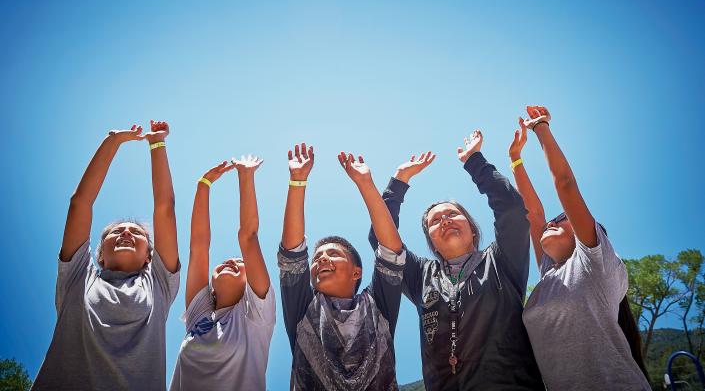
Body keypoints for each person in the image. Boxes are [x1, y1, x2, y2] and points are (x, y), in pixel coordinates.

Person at [369, 134, 543, 390]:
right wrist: (399, 181)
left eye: (452, 214)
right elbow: (382, 241)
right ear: (431, 241)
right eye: (435, 221)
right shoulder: (421, 276)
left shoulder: (501, 260)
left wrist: (475, 161)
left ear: (472, 229)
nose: (445, 221)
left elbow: (512, 209)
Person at [33, 121, 180, 390]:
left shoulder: (158, 282)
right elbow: (80, 203)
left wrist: (157, 144)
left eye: (136, 232)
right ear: (99, 256)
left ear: (150, 256)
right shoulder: (78, 277)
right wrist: (113, 140)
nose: (125, 233)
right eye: (116, 231)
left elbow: (165, 208)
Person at [513, 105, 651, 390]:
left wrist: (541, 128)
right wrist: (516, 160)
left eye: (562, 217)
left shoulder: (593, 262)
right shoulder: (549, 273)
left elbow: (565, 184)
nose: (551, 221)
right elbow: (533, 215)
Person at [278, 143, 406, 390]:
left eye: (333, 254)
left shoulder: (377, 304)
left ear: (356, 272)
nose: (321, 260)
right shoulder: (303, 306)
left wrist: (366, 184)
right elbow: (292, 255)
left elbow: (391, 251)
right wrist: (297, 181)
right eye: (316, 258)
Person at [170, 155, 275, 390]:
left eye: (239, 261)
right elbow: (198, 247)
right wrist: (203, 185)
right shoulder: (199, 316)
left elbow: (248, 237)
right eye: (226, 261)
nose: (230, 261)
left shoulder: (257, 314)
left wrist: (245, 176)